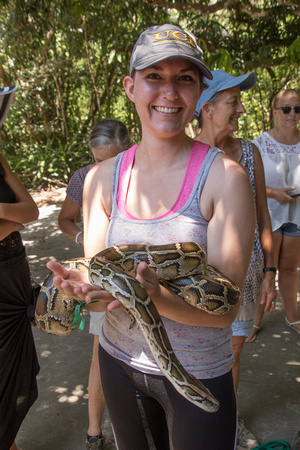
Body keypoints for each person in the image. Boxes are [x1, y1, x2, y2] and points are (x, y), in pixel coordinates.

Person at [47, 24, 255, 450]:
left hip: (199, 370)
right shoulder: (100, 180)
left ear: (199, 91)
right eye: (154, 76)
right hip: (118, 363)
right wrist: (82, 290)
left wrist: (152, 296)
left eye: (185, 79)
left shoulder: (225, 179)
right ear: (130, 86)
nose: (169, 93)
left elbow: (224, 308)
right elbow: (106, 288)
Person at [194, 70, 277, 449]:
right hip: (196, 277)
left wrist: (269, 273)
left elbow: (264, 216)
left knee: (235, 347)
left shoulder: (249, 152)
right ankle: (192, 416)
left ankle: (226, 414)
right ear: (207, 109)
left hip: (247, 271)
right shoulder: (185, 152)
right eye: (233, 102)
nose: (241, 109)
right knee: (194, 346)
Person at [58, 119, 131, 450]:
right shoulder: (82, 177)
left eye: (111, 160)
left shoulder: (141, 172)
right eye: (98, 160)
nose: (103, 168)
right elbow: (65, 218)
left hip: (137, 274)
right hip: (102, 276)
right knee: (102, 352)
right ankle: (93, 431)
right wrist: (82, 237)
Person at [0, 86, 40, 450]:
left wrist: (2, 212)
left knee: (18, 375)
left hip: (13, 279)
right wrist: (14, 220)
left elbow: (32, 211)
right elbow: (22, 217)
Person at [249, 88, 300, 339]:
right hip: (269, 215)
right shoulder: (260, 143)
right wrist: (273, 193)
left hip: (296, 215)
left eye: (297, 109)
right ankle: (254, 321)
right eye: (287, 109)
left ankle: (293, 317)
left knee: (289, 269)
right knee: (264, 270)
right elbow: (251, 182)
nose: (292, 114)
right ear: (275, 112)